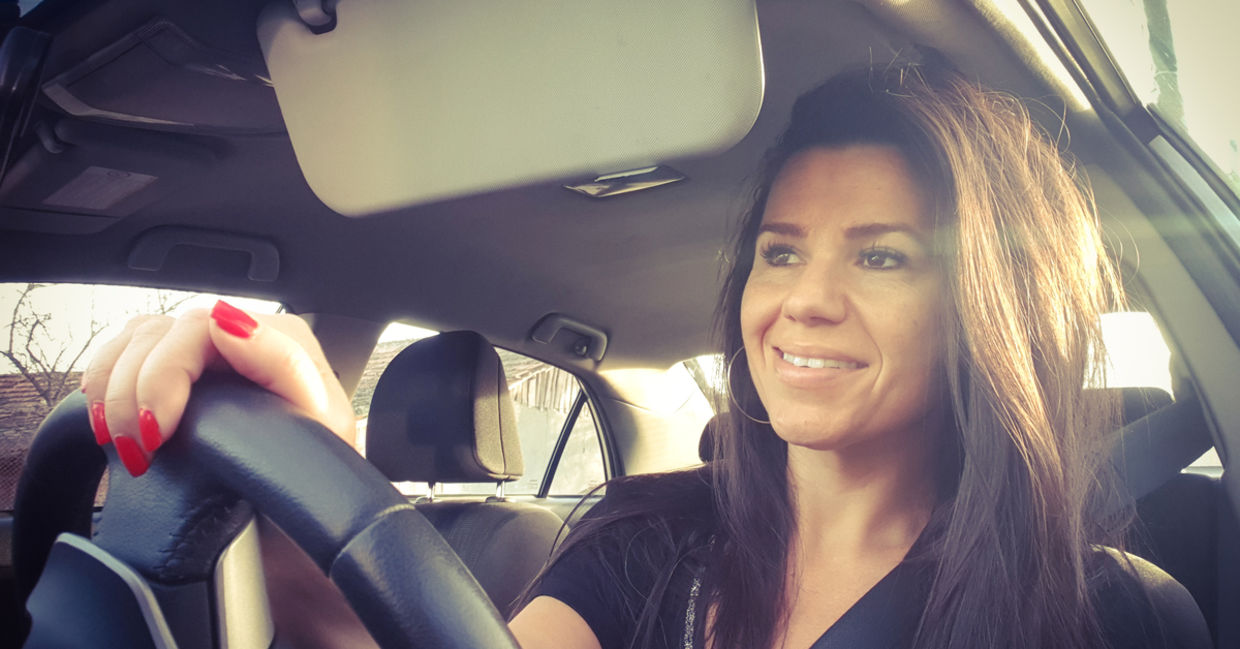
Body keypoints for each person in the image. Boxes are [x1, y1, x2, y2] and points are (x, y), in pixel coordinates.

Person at [82, 63, 1210, 649]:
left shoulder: (1108, 610)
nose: (804, 301)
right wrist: (299, 557)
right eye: (780, 252)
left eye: (883, 259)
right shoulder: (645, 539)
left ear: (982, 310)